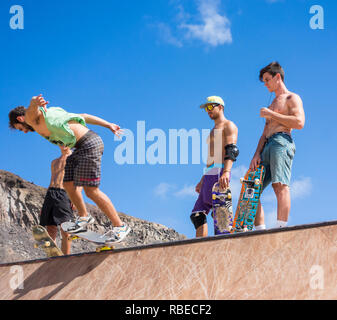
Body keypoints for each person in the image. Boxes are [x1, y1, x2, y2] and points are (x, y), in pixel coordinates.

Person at [8, 94, 131, 243]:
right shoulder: (53, 114)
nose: (25, 131)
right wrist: (108, 124)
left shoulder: (30, 118)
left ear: (20, 119)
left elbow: (32, 104)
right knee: (68, 185)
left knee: (91, 191)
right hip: (79, 148)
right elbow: (84, 116)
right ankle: (84, 217)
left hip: (89, 144)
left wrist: (35, 101)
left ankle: (120, 226)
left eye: (20, 129)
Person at [249, 62, 305, 230]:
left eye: (267, 80)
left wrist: (271, 114)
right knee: (251, 190)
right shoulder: (272, 103)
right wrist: (256, 154)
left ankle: (280, 230)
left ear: (277, 77)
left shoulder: (291, 98)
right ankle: (260, 232)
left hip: (282, 142)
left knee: (279, 185)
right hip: (266, 146)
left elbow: (299, 122)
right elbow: (264, 132)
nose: (265, 84)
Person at [190, 96, 239, 237]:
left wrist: (226, 172)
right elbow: (211, 158)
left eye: (211, 107)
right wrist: (202, 179)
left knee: (221, 218)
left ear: (221, 107)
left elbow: (232, 150)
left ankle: (223, 247)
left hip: (220, 172)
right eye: (206, 108)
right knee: (197, 215)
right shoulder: (213, 130)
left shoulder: (228, 125)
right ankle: (201, 247)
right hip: (209, 174)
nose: (208, 111)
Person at [40, 146, 76, 255]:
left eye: (65, 142)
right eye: (60, 142)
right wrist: (45, 204)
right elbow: (51, 180)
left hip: (64, 193)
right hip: (50, 194)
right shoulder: (54, 162)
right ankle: (53, 258)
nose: (63, 144)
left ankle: (66, 258)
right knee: (50, 229)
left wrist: (74, 199)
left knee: (66, 229)